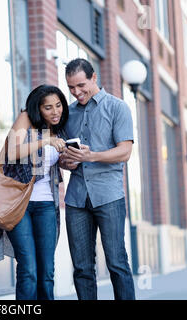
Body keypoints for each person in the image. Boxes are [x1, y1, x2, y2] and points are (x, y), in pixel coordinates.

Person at [59, 58, 136, 300]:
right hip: (76, 198)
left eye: (81, 85)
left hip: (109, 195)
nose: (76, 92)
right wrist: (67, 161)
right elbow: (61, 155)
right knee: (82, 268)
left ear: (94, 78)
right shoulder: (68, 114)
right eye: (71, 87)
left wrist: (91, 156)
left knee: (117, 263)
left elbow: (125, 151)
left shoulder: (117, 107)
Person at [0, 84, 69, 300]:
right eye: (48, 107)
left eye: (58, 105)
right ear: (37, 109)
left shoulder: (60, 127)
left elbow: (59, 165)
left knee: (47, 272)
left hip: (46, 206)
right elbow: (11, 153)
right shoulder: (26, 120)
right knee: (29, 269)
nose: (55, 111)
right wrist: (47, 140)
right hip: (19, 204)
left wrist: (75, 159)